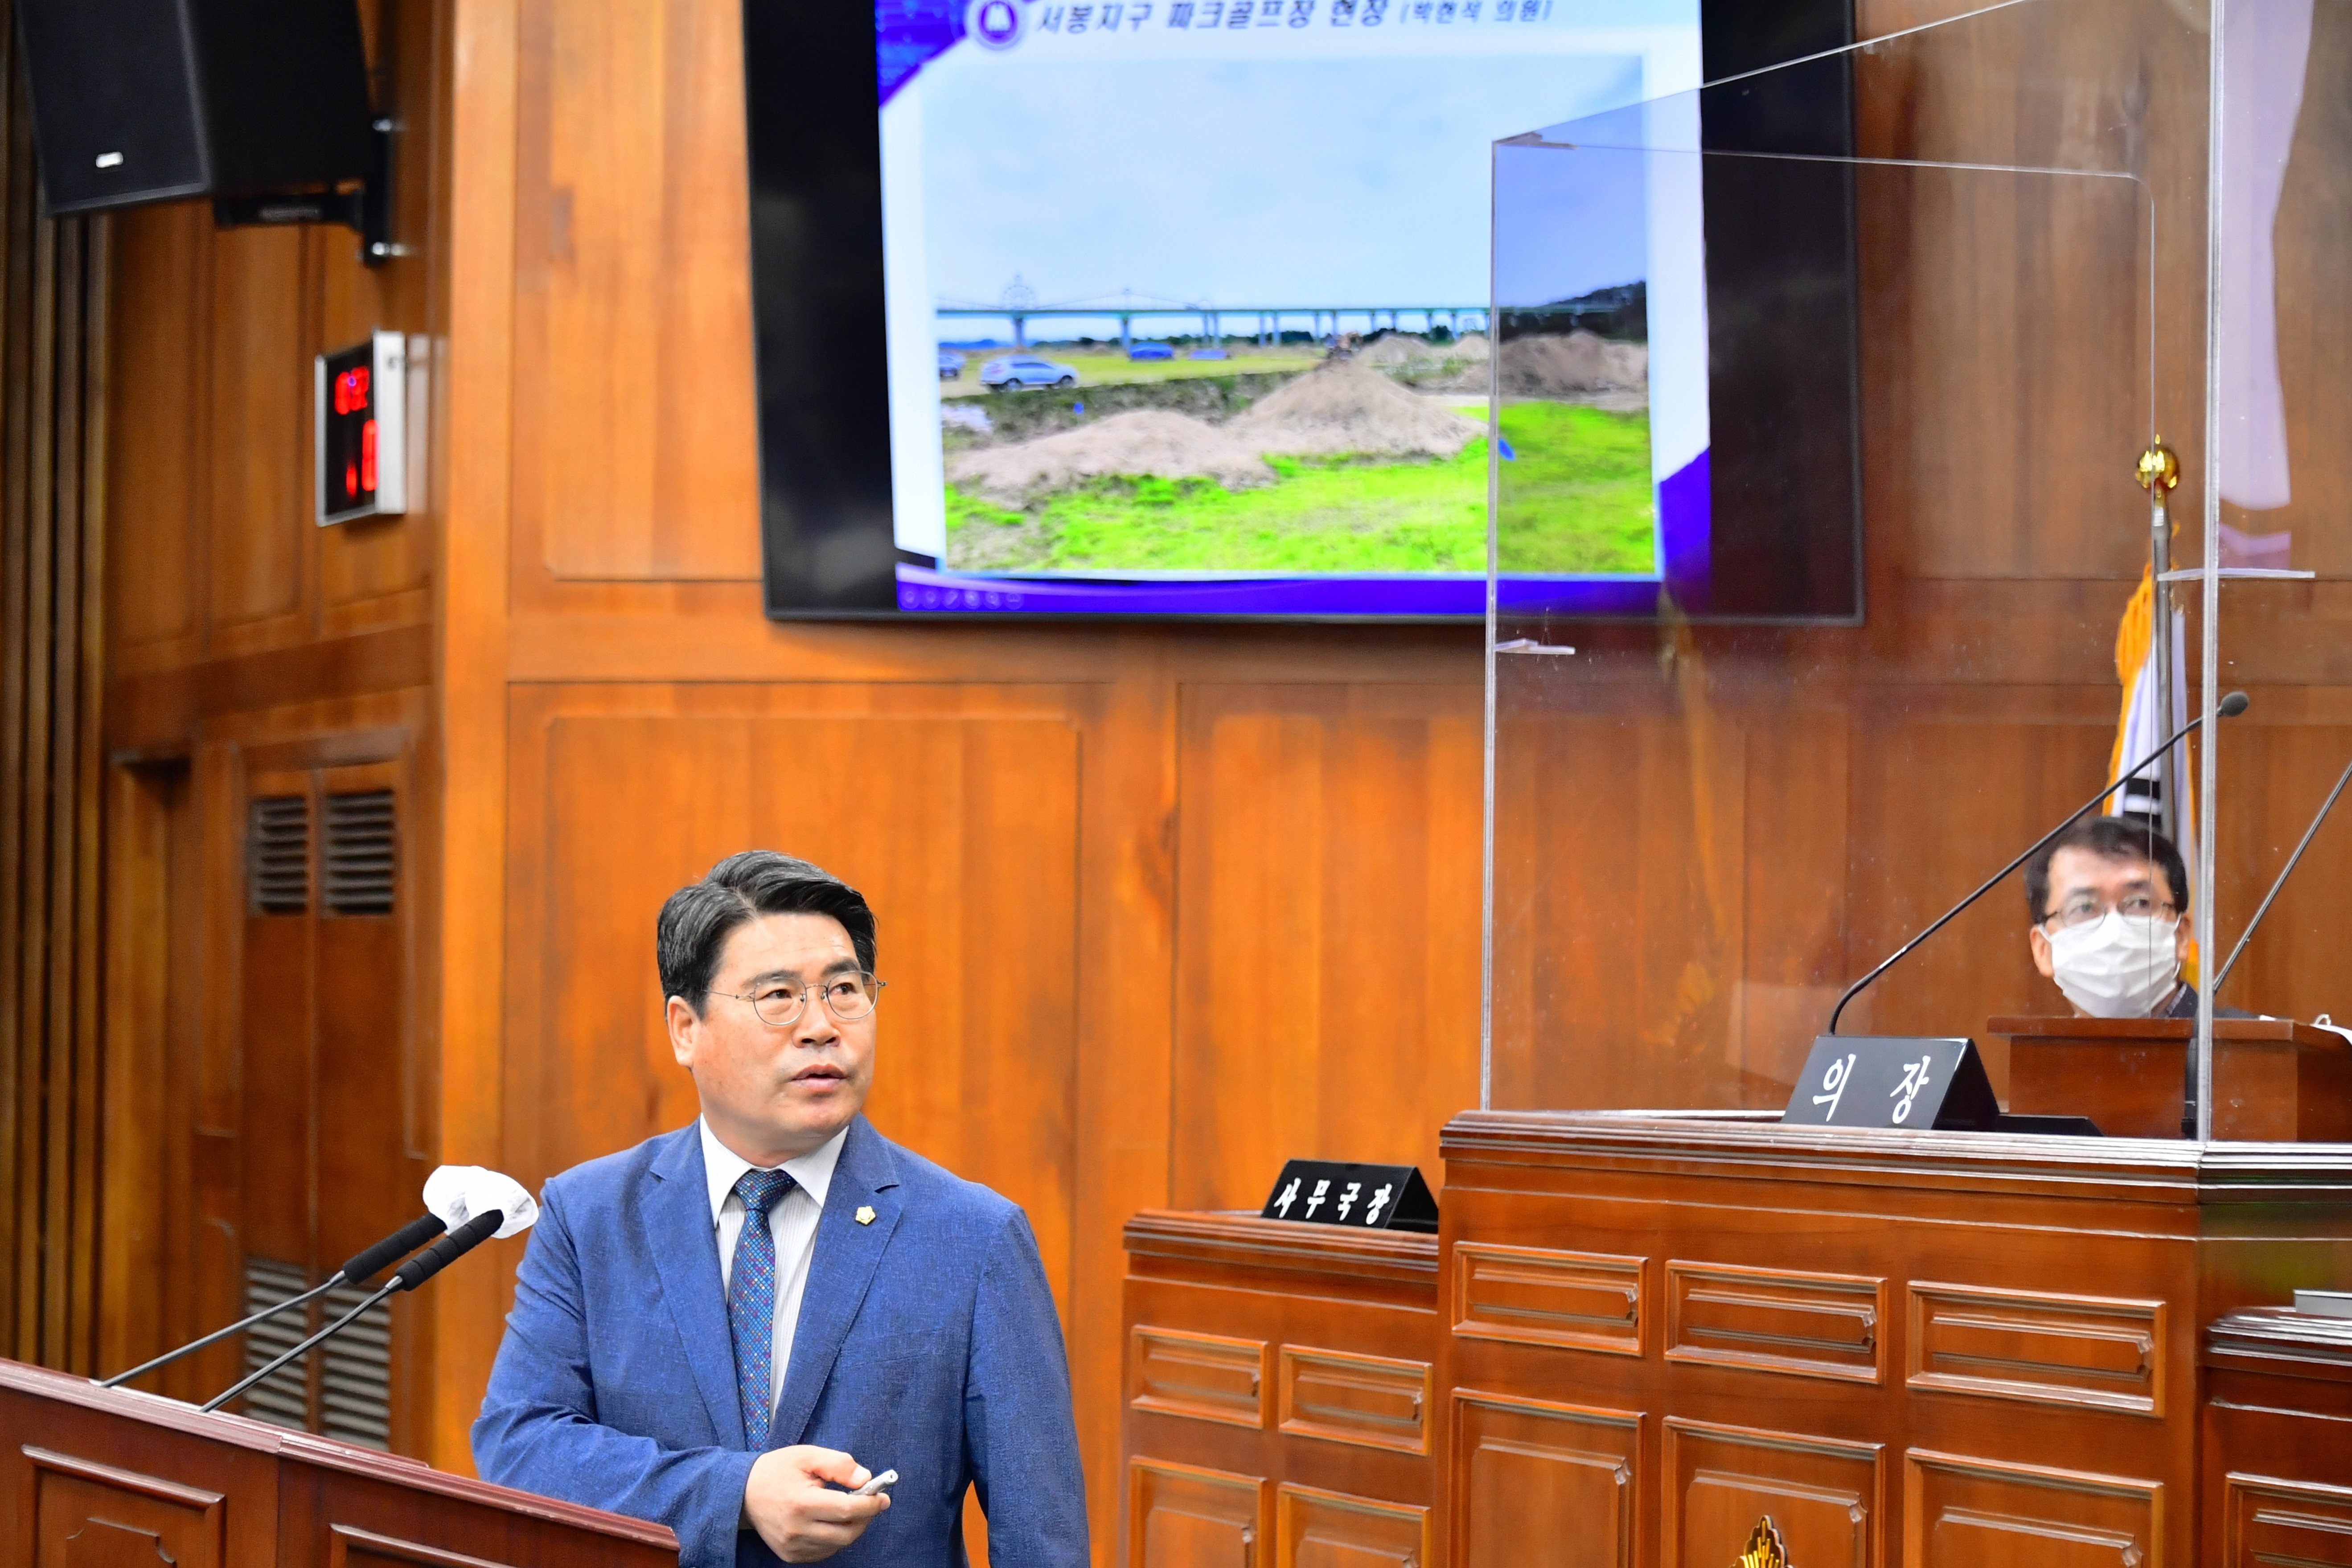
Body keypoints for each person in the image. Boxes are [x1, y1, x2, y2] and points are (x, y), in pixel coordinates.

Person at [473, 852, 1087, 1568]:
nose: (821, 1026)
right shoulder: (591, 1214)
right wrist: (735, 1491)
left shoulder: (973, 1237)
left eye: (845, 990)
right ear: (685, 1027)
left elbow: (1041, 1537)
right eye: (778, 996)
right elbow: (520, 1442)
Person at [2023, 816, 2247, 1133]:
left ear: (2181, 936)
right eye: (2084, 908)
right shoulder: (2034, 1077)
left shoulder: (2254, 1057)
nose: (2114, 930)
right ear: (2042, 950)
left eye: (2140, 903)